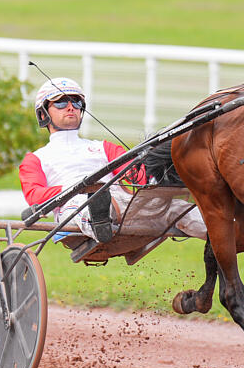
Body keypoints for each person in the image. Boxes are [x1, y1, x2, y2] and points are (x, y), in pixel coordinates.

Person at [19, 77, 207, 243]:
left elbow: (136, 177)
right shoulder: (36, 159)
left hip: (121, 203)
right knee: (83, 205)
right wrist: (78, 188)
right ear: (43, 114)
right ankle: (98, 219)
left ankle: (223, 235)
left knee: (178, 208)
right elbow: (35, 195)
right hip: (72, 208)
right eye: (60, 103)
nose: (70, 107)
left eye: (76, 102)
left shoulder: (104, 147)